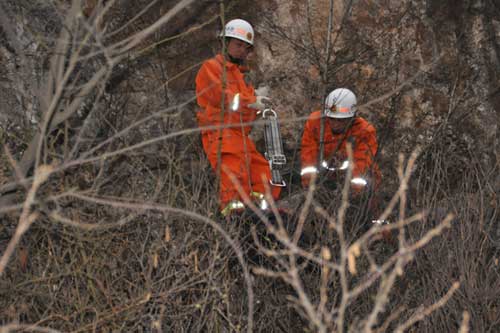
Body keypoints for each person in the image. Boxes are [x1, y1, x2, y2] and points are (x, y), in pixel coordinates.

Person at [195, 19, 281, 217]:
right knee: (234, 178)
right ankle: (233, 219)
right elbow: (223, 97)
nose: (242, 51)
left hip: (239, 137)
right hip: (221, 135)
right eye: (238, 45)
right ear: (225, 43)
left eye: (246, 48)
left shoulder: (240, 77)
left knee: (264, 174)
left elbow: (244, 112)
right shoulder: (212, 68)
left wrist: (258, 103)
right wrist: (252, 100)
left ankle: (261, 214)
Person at [300, 88, 381, 196]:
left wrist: (353, 195)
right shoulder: (316, 123)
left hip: (350, 179)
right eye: (332, 118)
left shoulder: (364, 132)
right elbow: (308, 157)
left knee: (373, 179)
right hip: (323, 176)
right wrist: (309, 187)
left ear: (352, 118)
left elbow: (361, 164)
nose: (335, 123)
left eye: (341, 120)